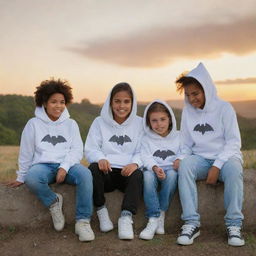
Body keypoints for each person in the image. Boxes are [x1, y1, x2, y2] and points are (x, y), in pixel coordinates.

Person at [8, 79, 94, 242]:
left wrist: (65, 167)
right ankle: (53, 201)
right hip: (43, 166)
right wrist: (21, 177)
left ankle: (83, 221)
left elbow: (77, 150)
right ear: (44, 103)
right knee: (32, 178)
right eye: (53, 102)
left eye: (62, 102)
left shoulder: (71, 124)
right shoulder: (33, 124)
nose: (58, 106)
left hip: (68, 165)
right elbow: (26, 152)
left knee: (86, 175)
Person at [175, 63, 244, 246]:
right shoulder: (188, 112)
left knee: (234, 170)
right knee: (185, 166)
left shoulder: (224, 108)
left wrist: (217, 164)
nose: (192, 99)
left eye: (195, 93)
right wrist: (181, 158)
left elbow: (234, 142)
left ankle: (234, 225)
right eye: (188, 95)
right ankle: (191, 223)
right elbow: (187, 143)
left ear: (206, 89)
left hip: (226, 157)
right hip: (200, 158)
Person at [84, 82, 143, 240]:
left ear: (132, 103)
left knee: (138, 175)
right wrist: (100, 158)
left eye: (126, 101)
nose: (121, 106)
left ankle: (126, 217)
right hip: (107, 173)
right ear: (110, 102)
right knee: (92, 169)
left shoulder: (140, 123)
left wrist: (135, 163)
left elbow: (144, 150)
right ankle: (102, 210)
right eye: (117, 101)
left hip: (127, 173)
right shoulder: (99, 122)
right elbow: (90, 148)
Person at [139, 100, 180, 240]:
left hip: (171, 169)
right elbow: (145, 156)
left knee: (173, 176)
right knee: (147, 177)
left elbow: (186, 150)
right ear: (149, 122)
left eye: (163, 119)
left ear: (170, 119)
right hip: (153, 168)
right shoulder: (146, 139)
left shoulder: (179, 136)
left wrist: (180, 159)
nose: (159, 124)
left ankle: (161, 212)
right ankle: (153, 217)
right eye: (154, 121)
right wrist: (155, 167)